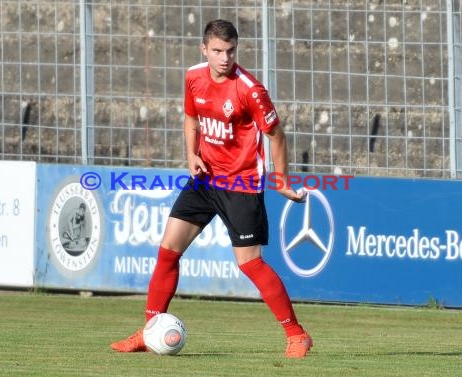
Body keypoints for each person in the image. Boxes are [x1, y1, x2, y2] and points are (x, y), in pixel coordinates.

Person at [111, 19, 312, 358]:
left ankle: (296, 335)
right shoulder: (193, 77)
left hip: (241, 184)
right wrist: (191, 154)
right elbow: (191, 117)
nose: (224, 58)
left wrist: (280, 181)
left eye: (230, 51)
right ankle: (148, 331)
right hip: (205, 178)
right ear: (204, 49)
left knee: (249, 263)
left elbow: (276, 134)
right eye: (218, 51)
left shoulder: (250, 89)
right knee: (168, 250)